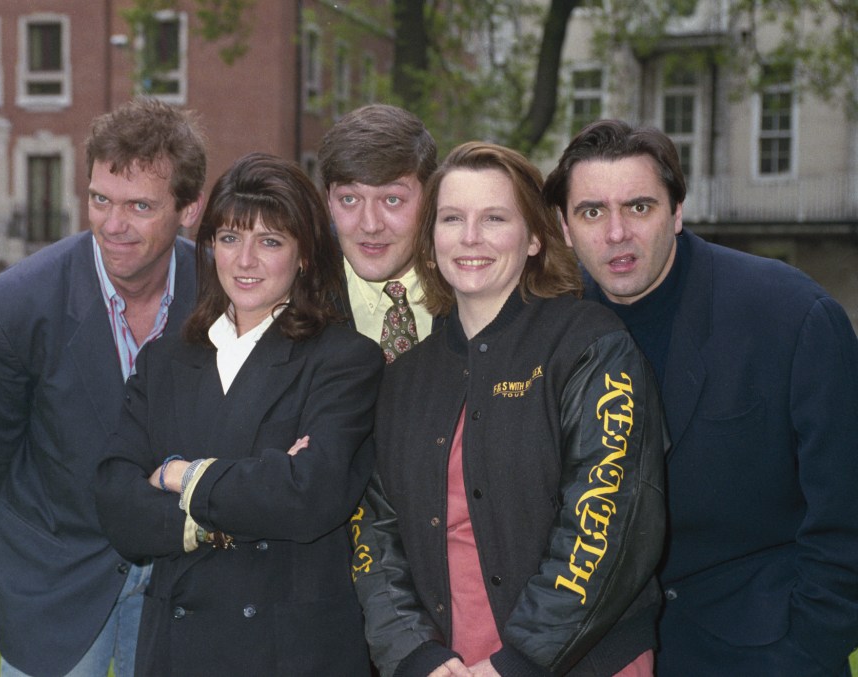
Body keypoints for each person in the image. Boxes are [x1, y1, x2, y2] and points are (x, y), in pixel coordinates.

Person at [542, 119, 858, 676]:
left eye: (639, 207)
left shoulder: (790, 315)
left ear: (677, 212)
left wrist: (807, 651)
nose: (616, 233)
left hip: (763, 653)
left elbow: (844, 516)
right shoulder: (552, 331)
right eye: (592, 212)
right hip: (606, 657)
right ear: (565, 227)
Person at [353, 141, 667, 677]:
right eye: (452, 219)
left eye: (494, 218)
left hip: (579, 661)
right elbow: (374, 531)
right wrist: (413, 652)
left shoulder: (589, 345)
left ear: (535, 238)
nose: (470, 237)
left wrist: (519, 660)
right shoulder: (403, 378)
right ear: (431, 242)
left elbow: (609, 517)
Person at [94, 152, 383, 676]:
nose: (244, 260)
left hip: (290, 653)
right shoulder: (164, 361)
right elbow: (118, 505)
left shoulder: (345, 361)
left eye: (269, 241)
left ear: (305, 257)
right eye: (229, 238)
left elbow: (308, 495)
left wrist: (176, 474)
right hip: (177, 654)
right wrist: (254, 486)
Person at [0, 97, 206, 677]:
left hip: (184, 582)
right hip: (55, 582)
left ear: (189, 207)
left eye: (140, 206)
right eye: (100, 200)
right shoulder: (13, 306)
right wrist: (45, 533)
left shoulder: (225, 292)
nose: (114, 226)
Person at [318, 103, 439, 355]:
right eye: (349, 199)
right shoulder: (298, 291)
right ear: (329, 200)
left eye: (392, 200)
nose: (370, 225)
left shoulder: (470, 284)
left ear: (430, 197)